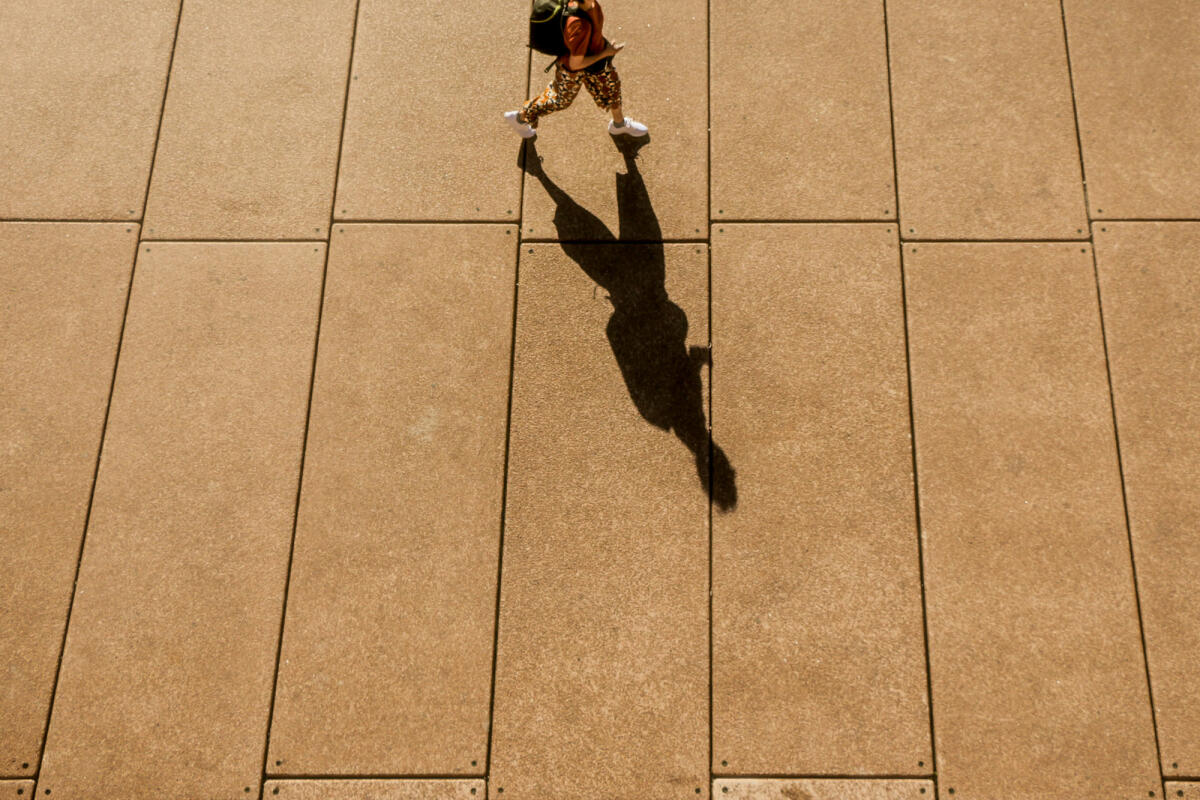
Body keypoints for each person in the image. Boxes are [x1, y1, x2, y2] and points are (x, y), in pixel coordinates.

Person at [504, 0, 648, 139]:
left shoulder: (591, 4)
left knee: (612, 88)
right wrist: (605, 53)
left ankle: (619, 125)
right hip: (575, 68)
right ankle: (519, 118)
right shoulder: (579, 25)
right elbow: (575, 64)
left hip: (596, 60)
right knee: (559, 100)